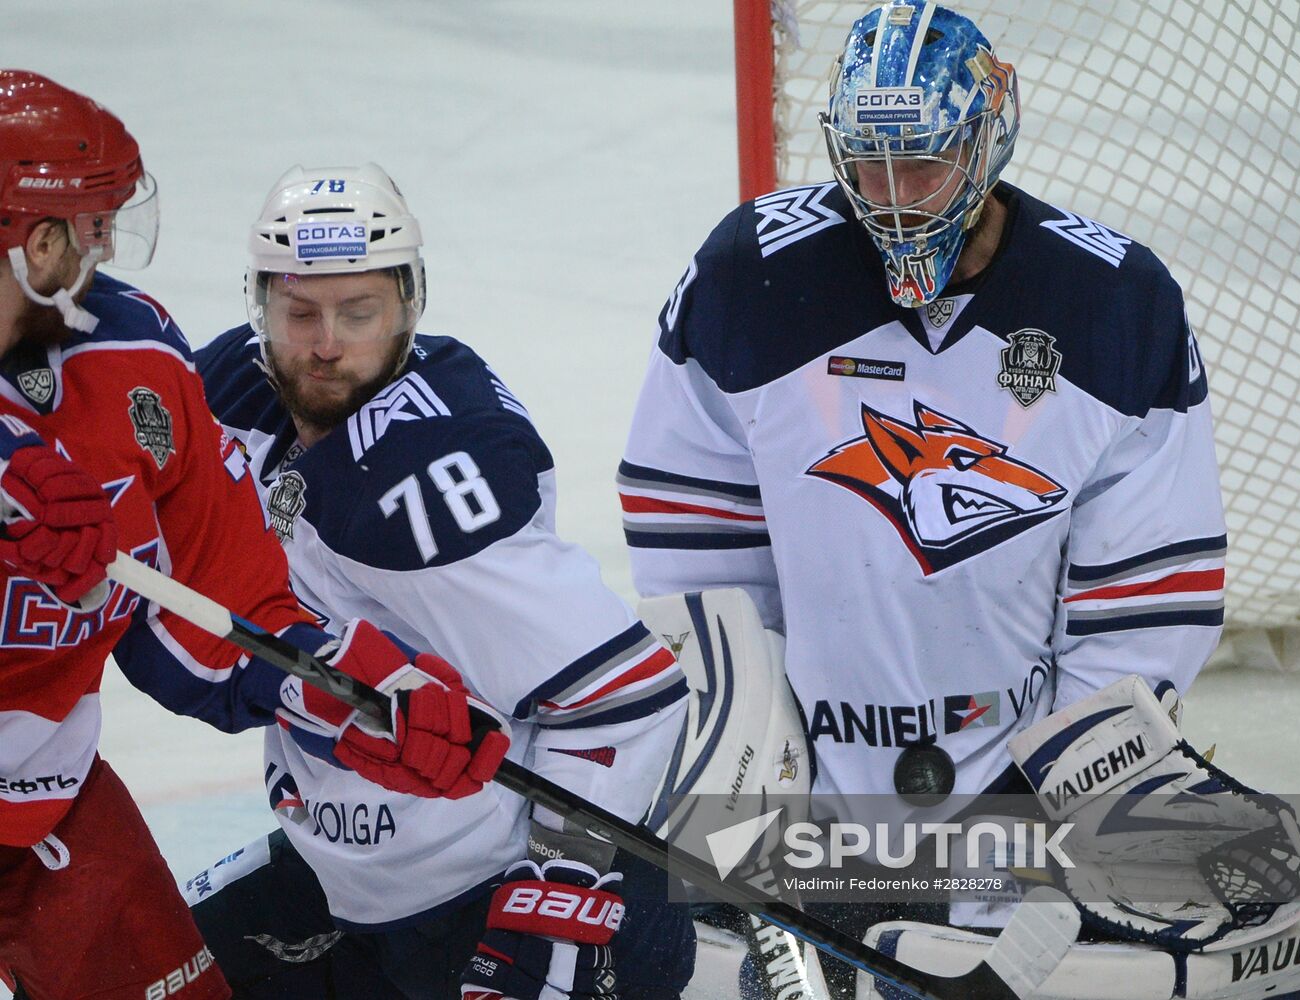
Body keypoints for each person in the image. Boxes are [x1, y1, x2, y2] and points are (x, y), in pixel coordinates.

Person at [618, 2, 1229, 995]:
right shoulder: (746, 278)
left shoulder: (1115, 302)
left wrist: (1029, 809)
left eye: (924, 163)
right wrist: (760, 787)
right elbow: (695, 549)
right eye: (869, 163)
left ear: (989, 137)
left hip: (1028, 798)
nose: (894, 199)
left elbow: (1148, 600)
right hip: (808, 804)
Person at [0, 73, 509, 1000]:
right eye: (92, 225)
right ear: (36, 243)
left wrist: (352, 693)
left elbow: (214, 611)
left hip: (43, 804)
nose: (109, 248)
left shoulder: (133, 357)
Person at [185, 162, 695, 999]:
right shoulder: (236, 390)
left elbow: (625, 695)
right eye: (299, 312)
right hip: (344, 879)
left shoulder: (423, 479)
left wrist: (552, 914)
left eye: (359, 313)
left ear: (410, 303)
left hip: (493, 890)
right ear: (259, 306)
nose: (325, 344)